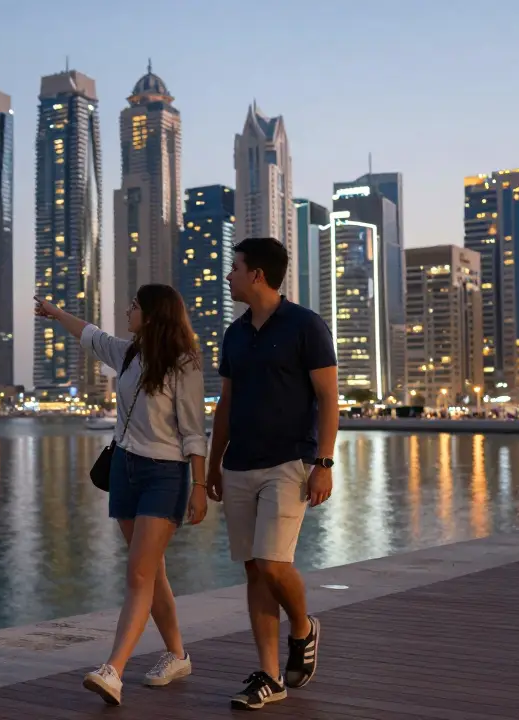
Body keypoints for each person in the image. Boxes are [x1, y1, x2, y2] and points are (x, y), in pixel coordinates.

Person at [34, 284, 208, 707]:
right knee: (151, 572)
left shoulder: (184, 364)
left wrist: (200, 486)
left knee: (138, 575)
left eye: (134, 306)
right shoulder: (129, 353)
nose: (128, 311)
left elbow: (193, 432)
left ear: (152, 314)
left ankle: (113, 670)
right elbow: (90, 334)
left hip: (165, 475)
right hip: (125, 471)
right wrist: (56, 313)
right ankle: (177, 655)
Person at [205, 237, 338, 711]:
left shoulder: (305, 325)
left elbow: (328, 398)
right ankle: (269, 675)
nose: (229, 276)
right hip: (239, 463)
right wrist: (213, 464)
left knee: (272, 563)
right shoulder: (235, 333)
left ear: (257, 274)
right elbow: (226, 403)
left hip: (288, 461)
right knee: (254, 569)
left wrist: (324, 463)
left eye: (235, 267)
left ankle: (302, 627)